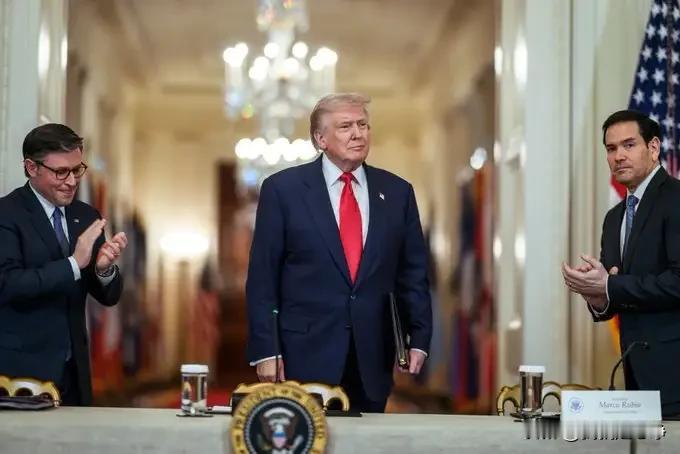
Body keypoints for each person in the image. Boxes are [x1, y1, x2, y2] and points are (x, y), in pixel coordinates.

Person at [246, 93, 432, 412]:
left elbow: (412, 273)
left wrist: (419, 338)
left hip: (372, 356)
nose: (358, 134)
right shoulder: (283, 190)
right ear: (320, 139)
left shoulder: (398, 193)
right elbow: (263, 278)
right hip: (302, 355)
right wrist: (266, 350)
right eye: (345, 126)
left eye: (363, 124)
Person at [562, 110, 680, 416]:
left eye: (629, 145)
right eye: (611, 148)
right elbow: (616, 291)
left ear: (653, 147)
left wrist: (610, 285)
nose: (619, 156)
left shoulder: (676, 199)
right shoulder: (614, 218)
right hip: (634, 374)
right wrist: (597, 295)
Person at [0, 123, 127, 406]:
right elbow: (7, 284)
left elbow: (109, 297)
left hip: (74, 372)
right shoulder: (6, 214)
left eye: (77, 170)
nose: (71, 181)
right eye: (61, 172)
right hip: (20, 376)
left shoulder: (86, 215)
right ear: (32, 168)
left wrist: (103, 270)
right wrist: (73, 264)